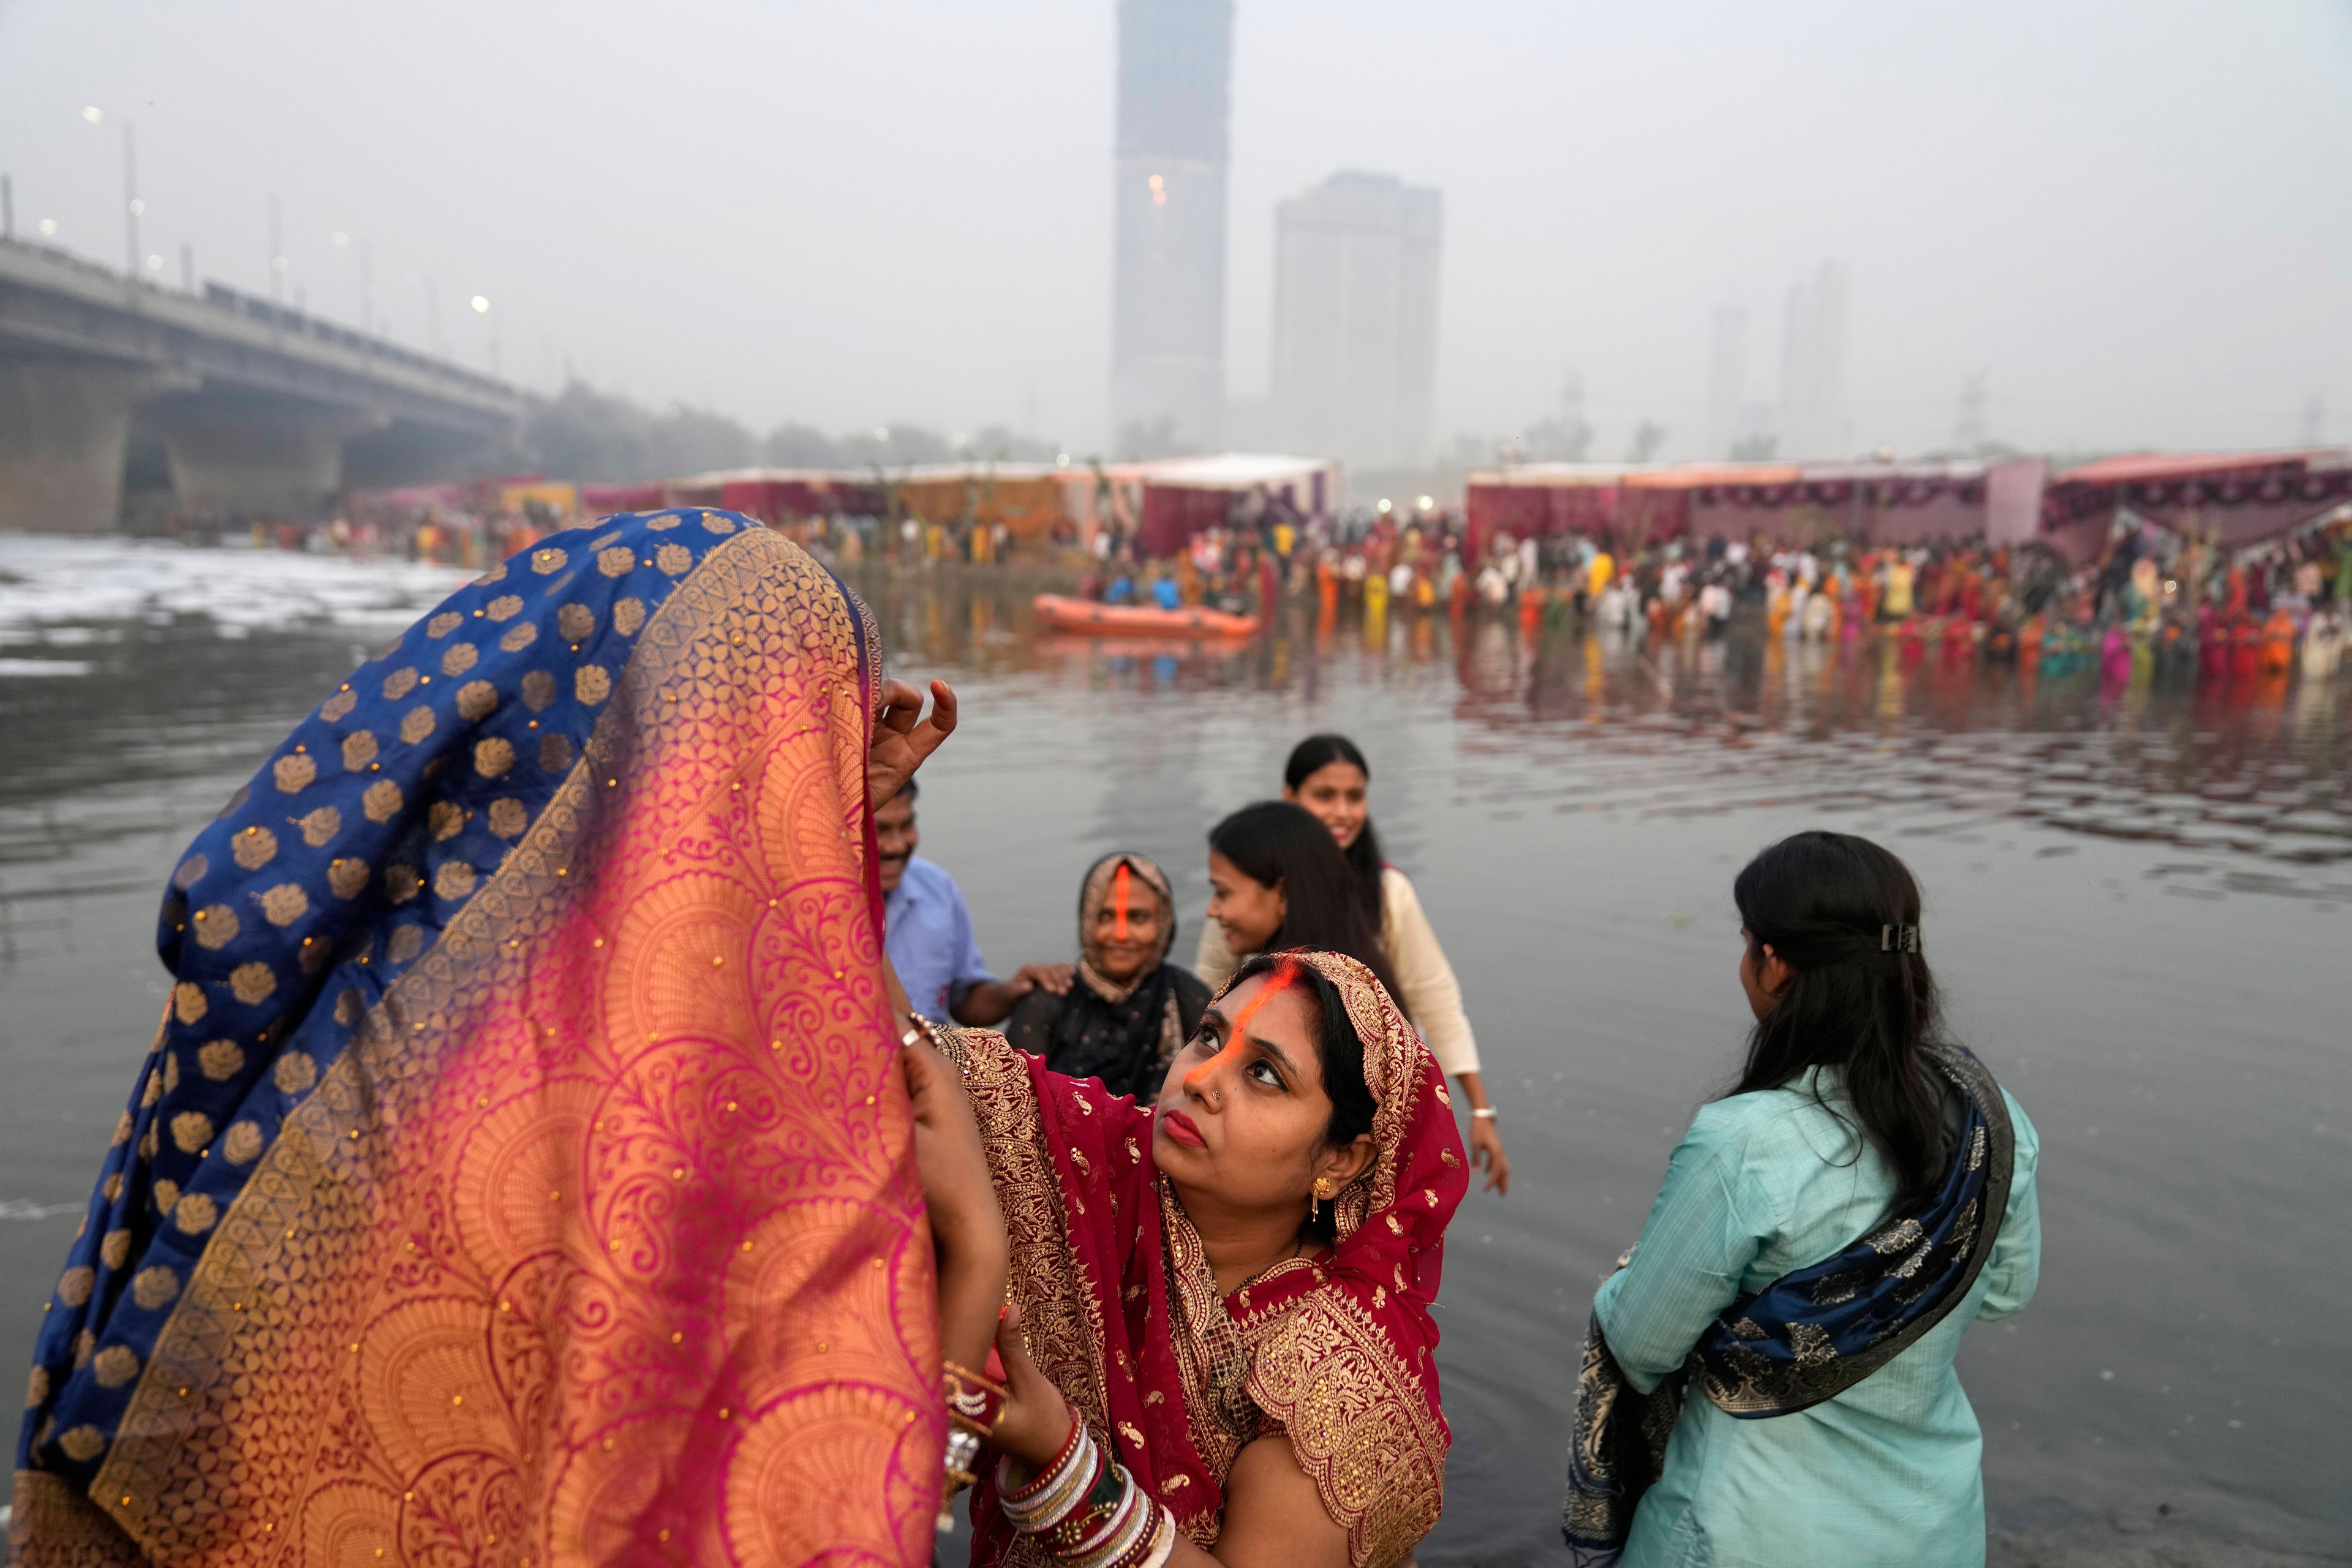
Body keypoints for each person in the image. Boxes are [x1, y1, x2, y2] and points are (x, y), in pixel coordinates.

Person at [12, 508, 982, 1565]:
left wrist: (834, 831)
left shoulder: (364, 1011)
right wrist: (976, 1247)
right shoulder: (640, 1122)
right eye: (794, 735)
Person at [1561, 831, 2041, 1568]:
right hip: (1930, 1527)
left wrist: (1639, 1274)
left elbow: (1643, 1343)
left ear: (1776, 965)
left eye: (1749, 943)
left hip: (1748, 1530)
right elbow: (2005, 1290)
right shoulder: (1989, 1117)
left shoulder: (1747, 1141)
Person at [903, 948, 1466, 1568]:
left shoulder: (1347, 1381)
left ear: (1340, 1160)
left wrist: (1061, 1462)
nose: (1200, 1079)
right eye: (1208, 1037)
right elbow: (905, 1058)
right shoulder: (1096, 1157)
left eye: (1265, 1074)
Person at [1197, 737, 1510, 1194]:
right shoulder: (1244, 893)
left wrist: (1480, 1111)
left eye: (1355, 796)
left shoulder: (1386, 891)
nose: (1343, 812)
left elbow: (1434, 995)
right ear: (1291, 802)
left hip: (1363, 1118)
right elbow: (1205, 994)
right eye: (1325, 796)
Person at [1004, 851, 1210, 1104]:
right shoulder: (1048, 1001)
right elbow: (1014, 1105)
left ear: (1164, 923)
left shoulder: (1190, 1000)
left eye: (1138, 917)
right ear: (1087, 921)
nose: (1121, 934)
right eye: (1106, 916)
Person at [878, 776, 1068, 1026]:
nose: (897, 846)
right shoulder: (816, 908)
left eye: (907, 826)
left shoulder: (936, 888)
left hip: (932, 1061)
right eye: (879, 830)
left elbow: (964, 1001)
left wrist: (1013, 991)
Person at [1197, 801, 1403, 1002]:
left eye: (1223, 893)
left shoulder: (1287, 1004)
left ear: (1283, 895)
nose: (1211, 911)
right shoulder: (1364, 985)